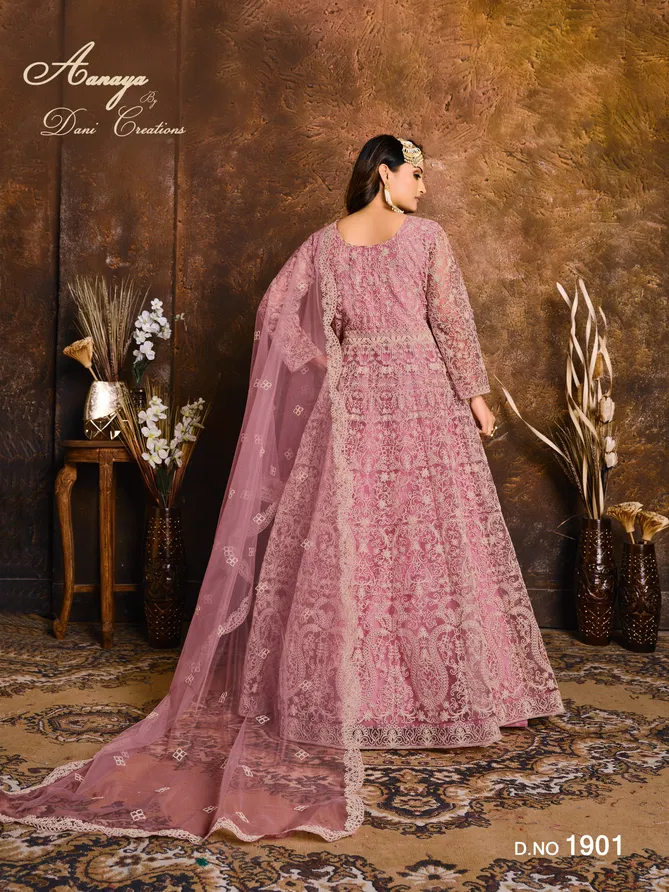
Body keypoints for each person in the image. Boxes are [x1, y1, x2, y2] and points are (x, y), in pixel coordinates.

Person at [0, 134, 565, 844]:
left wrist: (329, 365)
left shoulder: (325, 246)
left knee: (364, 540)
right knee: (420, 537)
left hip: (355, 404)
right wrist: (475, 397)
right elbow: (449, 321)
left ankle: (363, 697)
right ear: (384, 175)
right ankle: (431, 696)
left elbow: (275, 317)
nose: (423, 188)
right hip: (421, 395)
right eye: (416, 174)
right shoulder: (425, 240)